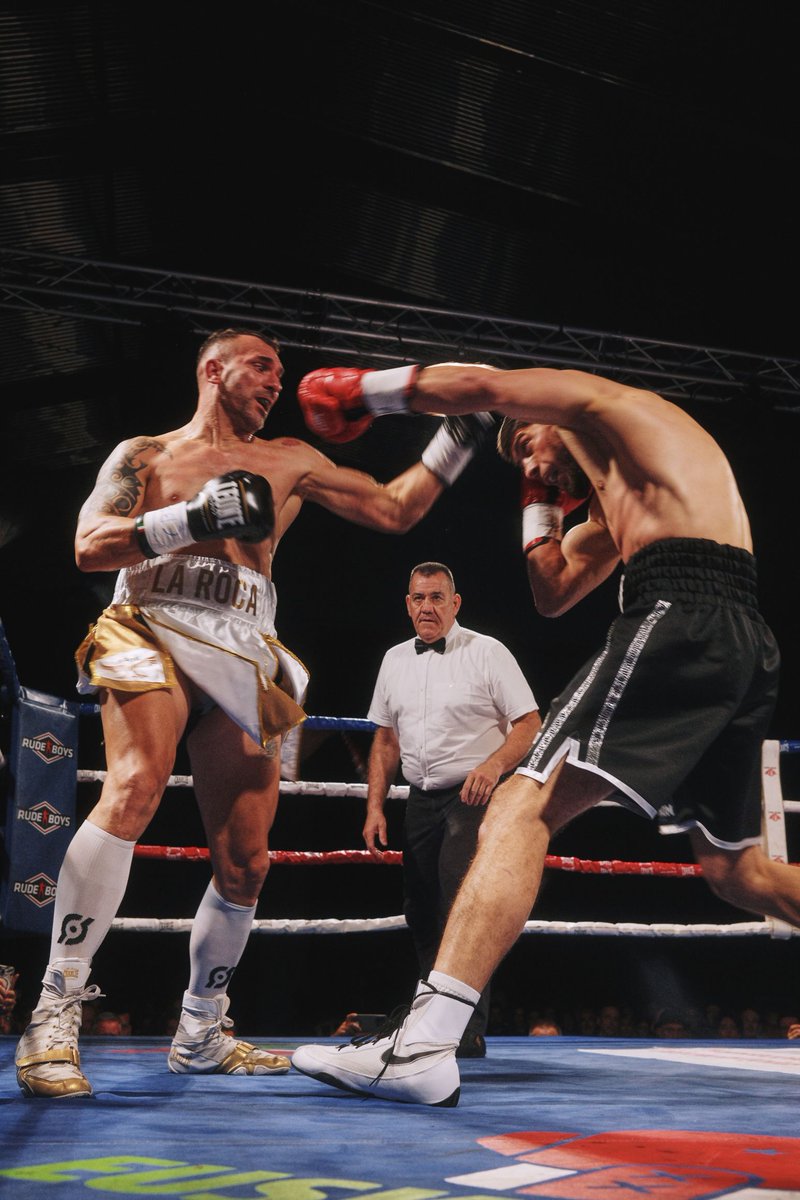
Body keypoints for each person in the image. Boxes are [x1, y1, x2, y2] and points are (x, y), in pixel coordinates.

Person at [291, 358, 799, 1106]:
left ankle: (425, 1044)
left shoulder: (617, 405)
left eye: (530, 440)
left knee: (520, 802)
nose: (528, 456)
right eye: (521, 458)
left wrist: (366, 391)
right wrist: (539, 505)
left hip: (680, 613)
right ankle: (426, 1040)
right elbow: (553, 593)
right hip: (736, 638)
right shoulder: (625, 503)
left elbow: (484, 387)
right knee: (738, 873)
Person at [14, 330, 493, 1099]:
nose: (278, 381)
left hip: (245, 643)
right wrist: (190, 520)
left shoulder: (292, 458)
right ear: (213, 366)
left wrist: (461, 431)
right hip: (149, 620)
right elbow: (88, 544)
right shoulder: (146, 455)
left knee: (248, 860)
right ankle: (53, 1012)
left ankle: (202, 1031)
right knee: (135, 786)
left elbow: (397, 509)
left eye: (280, 371)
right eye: (263, 365)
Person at [364, 560, 539, 1057]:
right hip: (420, 798)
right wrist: (375, 805)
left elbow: (529, 722)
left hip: (475, 795)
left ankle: (467, 1027)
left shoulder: (487, 652)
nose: (427, 607)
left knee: (460, 905)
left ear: (455, 603)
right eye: (419, 598)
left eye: (437, 597)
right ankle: (432, 1016)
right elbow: (385, 739)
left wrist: (493, 765)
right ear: (407, 604)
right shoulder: (395, 659)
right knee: (420, 909)